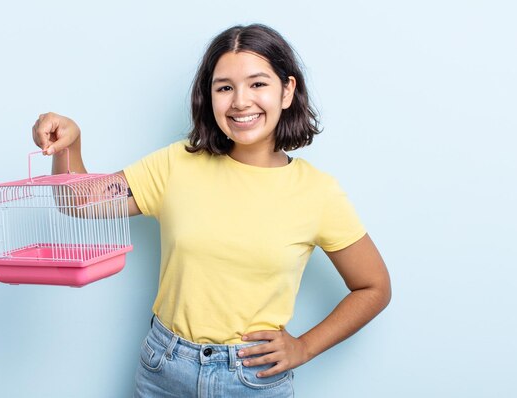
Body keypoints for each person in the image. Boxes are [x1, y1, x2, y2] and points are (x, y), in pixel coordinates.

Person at [32, 24, 391, 398]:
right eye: (224, 87)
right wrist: (67, 145)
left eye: (257, 84)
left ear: (287, 91)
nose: (240, 101)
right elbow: (79, 201)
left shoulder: (318, 193)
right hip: (163, 369)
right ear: (210, 97)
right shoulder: (177, 164)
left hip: (252, 379)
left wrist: (304, 347)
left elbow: (374, 287)